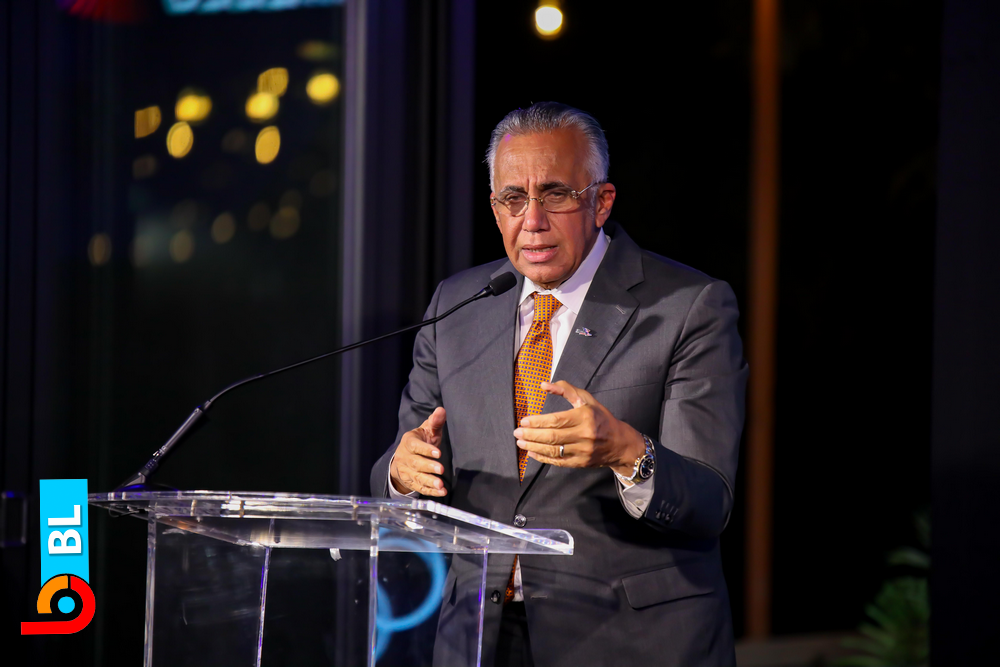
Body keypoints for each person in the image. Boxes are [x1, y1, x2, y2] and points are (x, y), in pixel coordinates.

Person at [371, 102, 747, 667]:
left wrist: (627, 452)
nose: (533, 220)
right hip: (480, 636)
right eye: (513, 199)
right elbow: (396, 466)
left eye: (555, 194)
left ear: (601, 201)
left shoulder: (688, 306)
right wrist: (402, 476)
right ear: (495, 208)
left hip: (629, 641)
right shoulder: (457, 304)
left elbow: (708, 501)